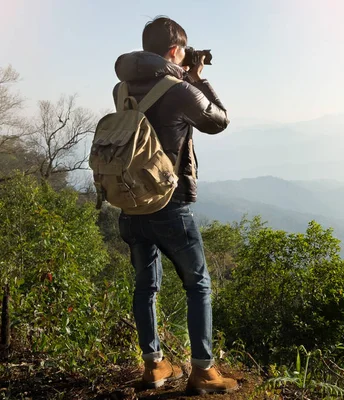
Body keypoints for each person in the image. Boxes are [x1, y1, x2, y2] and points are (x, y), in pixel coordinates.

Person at [113, 16, 238, 394]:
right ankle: (202, 370)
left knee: (144, 286)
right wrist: (196, 77)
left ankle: (154, 366)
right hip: (170, 203)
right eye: (182, 49)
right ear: (174, 50)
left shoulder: (121, 89)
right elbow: (219, 121)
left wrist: (181, 71)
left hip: (131, 202)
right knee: (198, 284)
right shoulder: (181, 89)